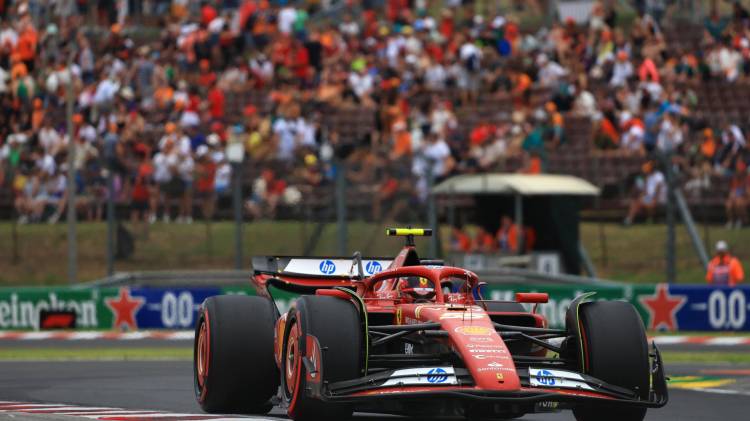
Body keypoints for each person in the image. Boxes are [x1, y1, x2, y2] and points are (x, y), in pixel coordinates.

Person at [624, 161, 666, 225]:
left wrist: (653, 199)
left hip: (658, 199)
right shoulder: (648, 177)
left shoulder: (659, 176)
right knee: (635, 202)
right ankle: (629, 220)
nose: (645, 171)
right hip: (649, 198)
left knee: (637, 203)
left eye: (647, 169)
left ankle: (628, 220)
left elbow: (658, 190)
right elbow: (645, 190)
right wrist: (642, 196)